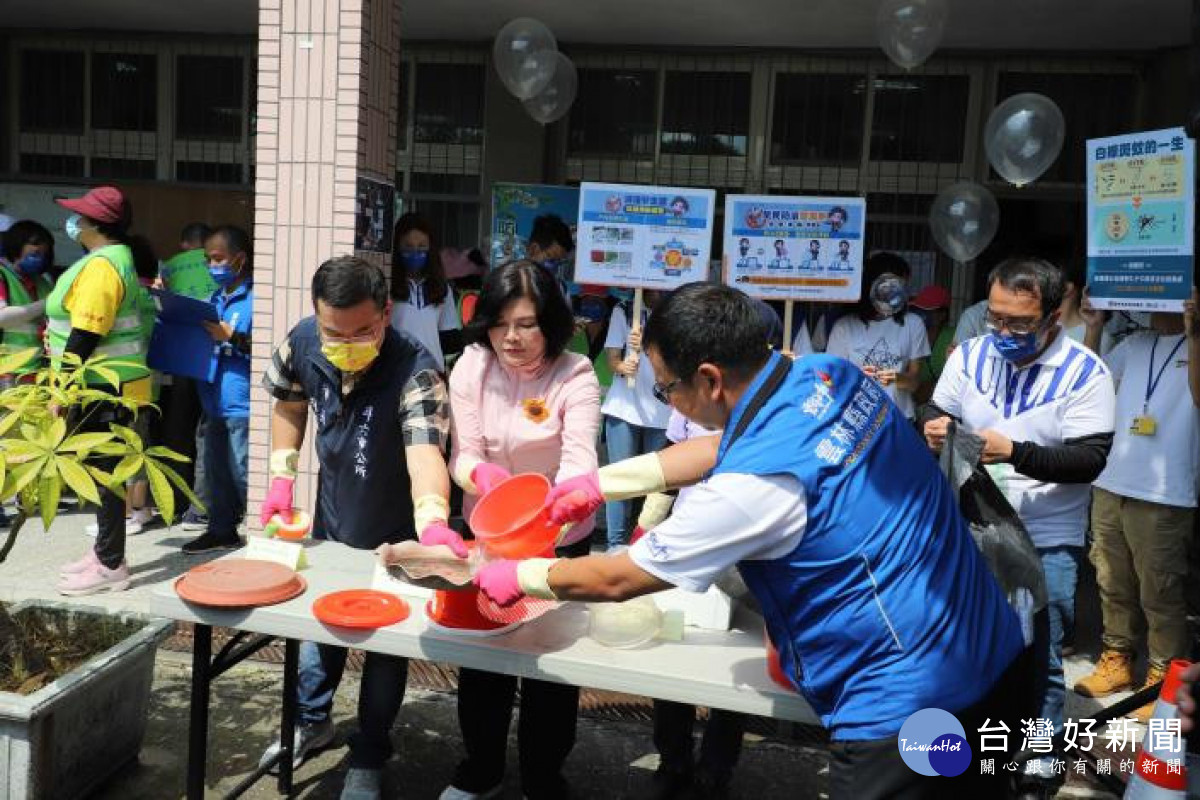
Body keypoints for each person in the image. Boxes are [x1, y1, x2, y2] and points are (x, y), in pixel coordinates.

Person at [471, 282, 1030, 800]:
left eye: (666, 388)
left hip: (906, 709)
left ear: (710, 379)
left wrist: (518, 575)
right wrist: (605, 482)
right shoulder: (829, 376)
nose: (668, 403)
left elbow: (618, 577)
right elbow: (724, 448)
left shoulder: (751, 489)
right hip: (990, 648)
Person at [258, 256, 452, 800]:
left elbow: (425, 454)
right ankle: (310, 722)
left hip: (396, 530)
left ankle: (369, 751)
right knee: (320, 630)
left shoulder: (416, 369)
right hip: (333, 516)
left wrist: (434, 522)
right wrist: (280, 478)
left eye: (362, 331)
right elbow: (289, 405)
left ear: (386, 314)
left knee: (387, 648)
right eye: (333, 332)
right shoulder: (301, 341)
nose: (345, 342)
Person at [922, 257, 1115, 795]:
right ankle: (961, 756)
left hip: (1046, 538)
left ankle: (1036, 766)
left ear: (1054, 316)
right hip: (972, 528)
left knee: (1040, 659)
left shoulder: (1085, 373)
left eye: (1020, 323)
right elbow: (935, 408)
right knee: (964, 644)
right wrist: (934, 428)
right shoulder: (973, 356)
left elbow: (1089, 459)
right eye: (996, 318)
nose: (1004, 332)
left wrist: (1015, 452)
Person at [420, 259, 600, 800]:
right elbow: (463, 454)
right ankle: (482, 767)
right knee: (486, 656)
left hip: (559, 536)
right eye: (501, 323)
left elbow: (578, 458)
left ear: (551, 322)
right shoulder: (472, 366)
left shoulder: (576, 373)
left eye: (527, 323)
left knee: (550, 660)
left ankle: (544, 775)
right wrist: (486, 477)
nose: (512, 337)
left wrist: (564, 500)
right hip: (492, 531)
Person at [1072, 288, 1200, 721]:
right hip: (1113, 480)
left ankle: (1164, 678)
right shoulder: (1133, 343)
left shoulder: (1194, 341)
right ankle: (1117, 660)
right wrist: (1093, 328)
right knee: (1111, 580)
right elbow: (1091, 390)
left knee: (1160, 590)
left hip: (1165, 491)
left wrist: (1194, 331)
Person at [51, 186, 152, 596]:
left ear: (95, 225)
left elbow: (86, 332)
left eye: (78, 217)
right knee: (100, 472)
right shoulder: (111, 260)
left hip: (103, 388)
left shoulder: (103, 267)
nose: (73, 223)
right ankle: (103, 552)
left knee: (105, 474)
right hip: (109, 384)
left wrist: (63, 387)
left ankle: (111, 563)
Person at [181, 225, 254, 554]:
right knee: (215, 471)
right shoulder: (212, 299)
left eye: (219, 259)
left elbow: (265, 347)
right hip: (211, 400)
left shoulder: (257, 299)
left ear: (240, 259)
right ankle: (221, 529)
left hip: (241, 401)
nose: (213, 266)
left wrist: (233, 338)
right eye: (208, 260)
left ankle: (259, 534)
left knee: (243, 472)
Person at [601, 289, 671, 550]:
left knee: (658, 489)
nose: (656, 292)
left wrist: (649, 347)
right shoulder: (625, 309)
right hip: (624, 409)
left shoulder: (680, 313)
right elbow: (612, 361)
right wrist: (622, 366)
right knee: (620, 481)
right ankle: (615, 545)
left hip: (665, 414)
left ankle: (647, 546)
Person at [826, 252, 929, 420]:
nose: (900, 293)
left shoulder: (913, 323)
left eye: (903, 286)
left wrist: (897, 378)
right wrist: (857, 375)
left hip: (899, 418)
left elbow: (914, 383)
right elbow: (831, 380)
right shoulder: (844, 326)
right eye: (894, 286)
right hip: (856, 420)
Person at [161, 222, 216, 532]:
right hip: (213, 360)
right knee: (207, 434)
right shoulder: (223, 272)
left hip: (182, 360)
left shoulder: (170, 269)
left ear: (184, 244)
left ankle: (173, 503)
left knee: (177, 434)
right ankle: (200, 506)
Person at [389, 213, 463, 373]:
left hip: (432, 374)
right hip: (394, 372)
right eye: (408, 246)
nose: (415, 252)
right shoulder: (386, 286)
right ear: (397, 247)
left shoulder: (441, 288)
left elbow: (447, 335)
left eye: (422, 246)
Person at [0, 220, 55, 384]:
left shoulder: (43, 282)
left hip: (37, 371)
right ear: (16, 244)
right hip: (7, 372)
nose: (40, 256)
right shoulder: (2, 275)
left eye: (44, 253)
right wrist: (47, 303)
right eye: (34, 248)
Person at [911, 284, 953, 405]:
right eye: (918, 310)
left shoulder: (953, 337)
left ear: (942, 315)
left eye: (927, 311)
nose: (921, 315)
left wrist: (928, 389)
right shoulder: (910, 334)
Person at [159, 222, 216, 299]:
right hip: (215, 307)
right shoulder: (218, 260)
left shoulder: (169, 264)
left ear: (184, 244)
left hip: (182, 308)